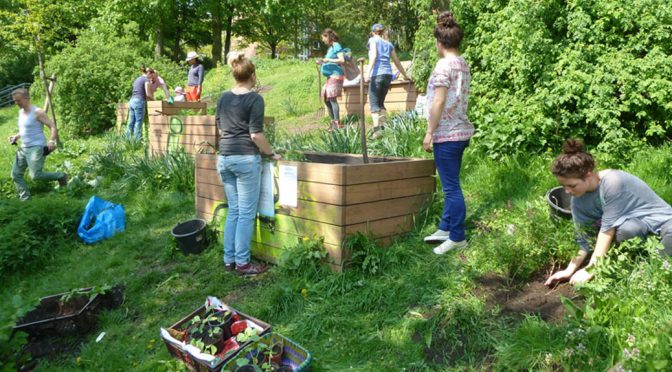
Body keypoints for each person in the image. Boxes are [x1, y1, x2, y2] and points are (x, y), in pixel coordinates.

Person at [545, 139, 672, 286]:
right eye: (563, 186)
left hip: (662, 220)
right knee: (627, 230)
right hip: (635, 224)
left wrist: (591, 269)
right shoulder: (577, 200)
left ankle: (655, 270)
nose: (567, 191)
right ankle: (638, 261)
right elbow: (585, 240)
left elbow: (607, 231)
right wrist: (570, 269)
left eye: (572, 185)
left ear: (588, 174)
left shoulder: (613, 182)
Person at [216, 52, 282, 276]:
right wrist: (271, 153)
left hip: (224, 158)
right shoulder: (255, 99)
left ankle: (229, 259)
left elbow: (221, 130)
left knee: (233, 211)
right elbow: (255, 135)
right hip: (245, 159)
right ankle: (243, 264)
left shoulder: (223, 98)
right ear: (252, 75)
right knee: (245, 213)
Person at [422, 11, 474, 255]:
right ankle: (445, 227)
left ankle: (457, 237)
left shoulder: (443, 65)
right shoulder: (462, 63)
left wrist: (429, 132)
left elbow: (439, 101)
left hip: (447, 133)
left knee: (451, 187)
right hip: (461, 131)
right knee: (449, 183)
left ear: (439, 42)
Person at [8, 88, 67, 200]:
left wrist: (51, 141)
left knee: (35, 175)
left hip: (36, 147)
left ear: (27, 99)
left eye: (18, 100)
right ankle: (25, 199)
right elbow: (25, 129)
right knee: (15, 174)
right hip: (23, 148)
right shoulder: (20, 112)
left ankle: (61, 176)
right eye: (15, 101)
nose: (16, 103)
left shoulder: (38, 112)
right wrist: (16, 136)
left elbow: (52, 126)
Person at [365, 24, 411, 138]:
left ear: (373, 32)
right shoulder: (388, 44)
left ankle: (376, 131)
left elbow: (374, 56)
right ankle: (384, 128)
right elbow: (396, 61)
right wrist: (405, 75)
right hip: (388, 76)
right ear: (382, 32)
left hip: (377, 74)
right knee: (381, 103)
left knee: (374, 103)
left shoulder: (372, 40)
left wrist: (367, 74)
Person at [126, 66, 171, 140]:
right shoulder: (146, 80)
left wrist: (168, 98)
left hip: (132, 101)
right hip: (139, 101)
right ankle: (137, 141)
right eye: (151, 76)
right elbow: (148, 94)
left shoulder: (138, 79)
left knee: (131, 121)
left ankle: (127, 139)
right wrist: (154, 101)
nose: (151, 78)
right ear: (149, 73)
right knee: (138, 122)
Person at [316, 28, 345, 131]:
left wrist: (328, 59)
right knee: (325, 97)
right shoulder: (330, 48)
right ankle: (333, 122)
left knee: (332, 98)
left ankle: (337, 123)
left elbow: (342, 60)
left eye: (323, 38)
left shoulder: (336, 45)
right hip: (330, 76)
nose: (323, 40)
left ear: (327, 36)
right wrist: (322, 62)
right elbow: (329, 61)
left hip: (336, 75)